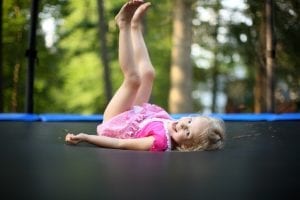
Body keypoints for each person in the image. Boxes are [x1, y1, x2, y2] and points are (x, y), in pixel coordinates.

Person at [65, 0, 225, 152]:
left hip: (116, 122)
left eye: (188, 133)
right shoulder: (173, 124)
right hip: (135, 116)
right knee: (148, 74)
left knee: (133, 80)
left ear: (187, 146)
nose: (184, 125)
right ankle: (135, 26)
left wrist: (85, 137)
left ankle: (123, 24)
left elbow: (120, 143)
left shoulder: (159, 141)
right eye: (189, 121)